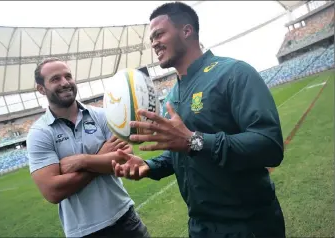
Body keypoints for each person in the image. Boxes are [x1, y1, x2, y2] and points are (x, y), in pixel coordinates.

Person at [112, 2, 286, 238]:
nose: (153, 43)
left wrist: (194, 141)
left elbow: (269, 146)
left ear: (186, 31)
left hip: (248, 225)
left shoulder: (234, 73)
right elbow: (180, 152)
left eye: (159, 34)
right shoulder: (173, 95)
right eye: (151, 38)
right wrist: (149, 166)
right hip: (200, 227)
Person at [26, 58, 150, 238]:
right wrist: (102, 158)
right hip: (83, 232)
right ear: (41, 89)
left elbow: (125, 158)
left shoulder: (102, 115)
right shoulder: (39, 133)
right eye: (55, 79)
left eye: (68, 76)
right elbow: (52, 191)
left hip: (125, 218)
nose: (65, 82)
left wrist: (82, 161)